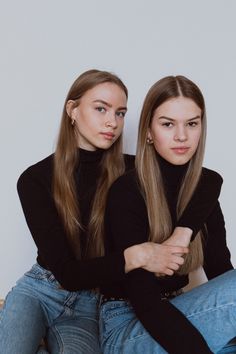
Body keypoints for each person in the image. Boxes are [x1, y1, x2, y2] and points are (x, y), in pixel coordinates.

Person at [0, 70, 223, 354]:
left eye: (120, 113)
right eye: (101, 108)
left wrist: (182, 232)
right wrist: (138, 255)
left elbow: (207, 179)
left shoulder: (132, 172)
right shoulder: (35, 179)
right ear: (72, 109)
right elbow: (67, 273)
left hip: (91, 303)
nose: (112, 122)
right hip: (41, 288)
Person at [99, 75, 236, 354]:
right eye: (167, 124)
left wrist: (184, 230)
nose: (182, 136)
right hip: (126, 326)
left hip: (179, 313)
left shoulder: (203, 192)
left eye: (192, 124)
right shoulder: (127, 192)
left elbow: (222, 274)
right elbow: (146, 303)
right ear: (148, 130)